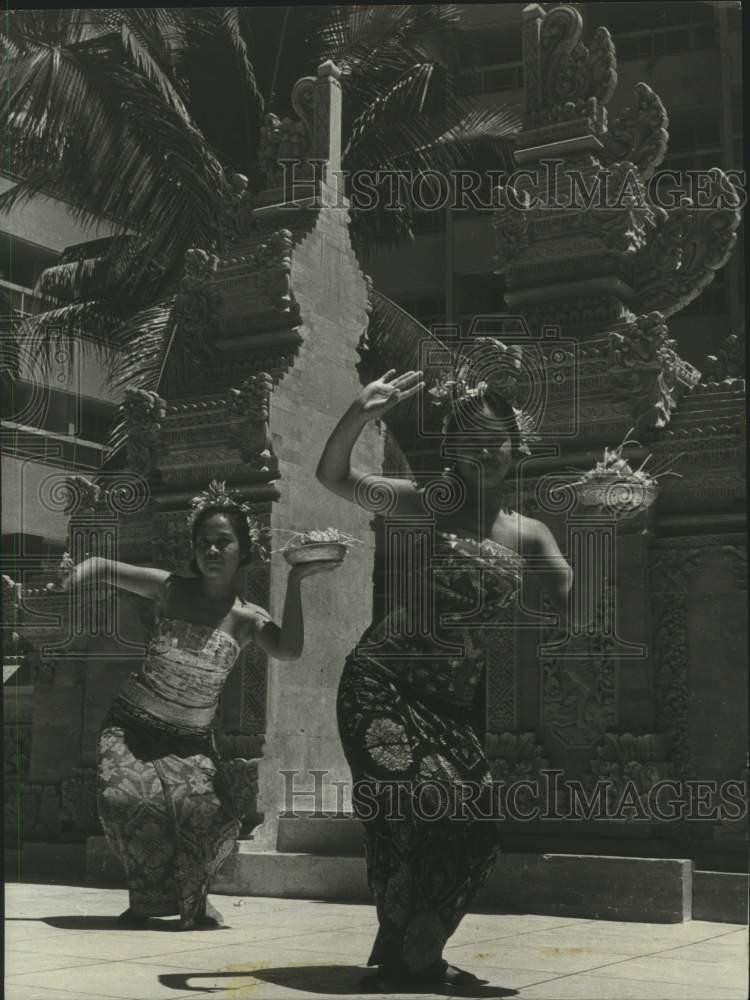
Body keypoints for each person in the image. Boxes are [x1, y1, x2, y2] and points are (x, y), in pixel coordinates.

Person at [316, 365, 583, 991]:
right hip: (381, 682)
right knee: (414, 809)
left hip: (453, 706)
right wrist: (361, 412)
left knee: (478, 830)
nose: (487, 451)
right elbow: (334, 477)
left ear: (518, 449)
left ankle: (409, 947)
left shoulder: (530, 535)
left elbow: (567, 603)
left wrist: (607, 525)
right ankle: (415, 958)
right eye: (473, 440)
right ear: (455, 451)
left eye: (498, 440)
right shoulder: (422, 502)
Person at [53, 480, 335, 930]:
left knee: (210, 818)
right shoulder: (168, 588)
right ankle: (147, 902)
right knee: (124, 800)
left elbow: (288, 650)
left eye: (223, 542)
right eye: (204, 543)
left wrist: (297, 580)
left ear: (244, 549)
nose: (212, 550)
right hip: (132, 727)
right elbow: (104, 566)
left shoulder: (248, 618)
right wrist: (75, 575)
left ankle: (192, 901)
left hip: (190, 741)